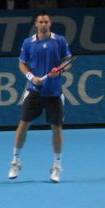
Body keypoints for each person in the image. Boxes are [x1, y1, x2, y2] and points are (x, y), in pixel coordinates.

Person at [9, 12, 72, 183]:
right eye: (40, 22)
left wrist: (60, 70)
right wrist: (31, 77)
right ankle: (15, 161)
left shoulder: (59, 40)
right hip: (34, 91)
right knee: (23, 125)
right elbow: (22, 63)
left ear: (50, 24)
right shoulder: (28, 43)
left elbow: (68, 61)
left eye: (46, 22)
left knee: (56, 128)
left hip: (54, 92)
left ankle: (57, 166)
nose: (43, 24)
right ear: (36, 24)